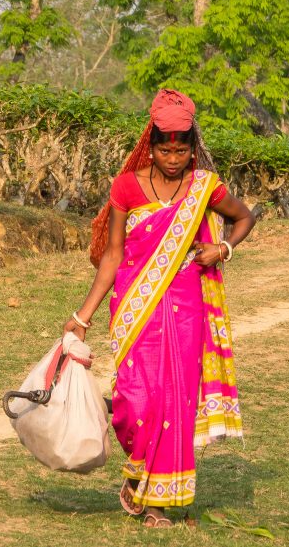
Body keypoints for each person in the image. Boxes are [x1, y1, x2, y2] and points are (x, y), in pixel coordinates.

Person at [63, 89, 256, 528]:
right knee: (134, 400)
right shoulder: (126, 186)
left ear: (192, 149)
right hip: (135, 306)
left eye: (181, 150)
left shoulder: (205, 186)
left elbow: (244, 217)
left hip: (186, 307)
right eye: (165, 150)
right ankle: (138, 474)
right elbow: (112, 254)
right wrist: (82, 317)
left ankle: (158, 502)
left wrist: (222, 247)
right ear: (150, 146)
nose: (173, 158)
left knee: (175, 400)